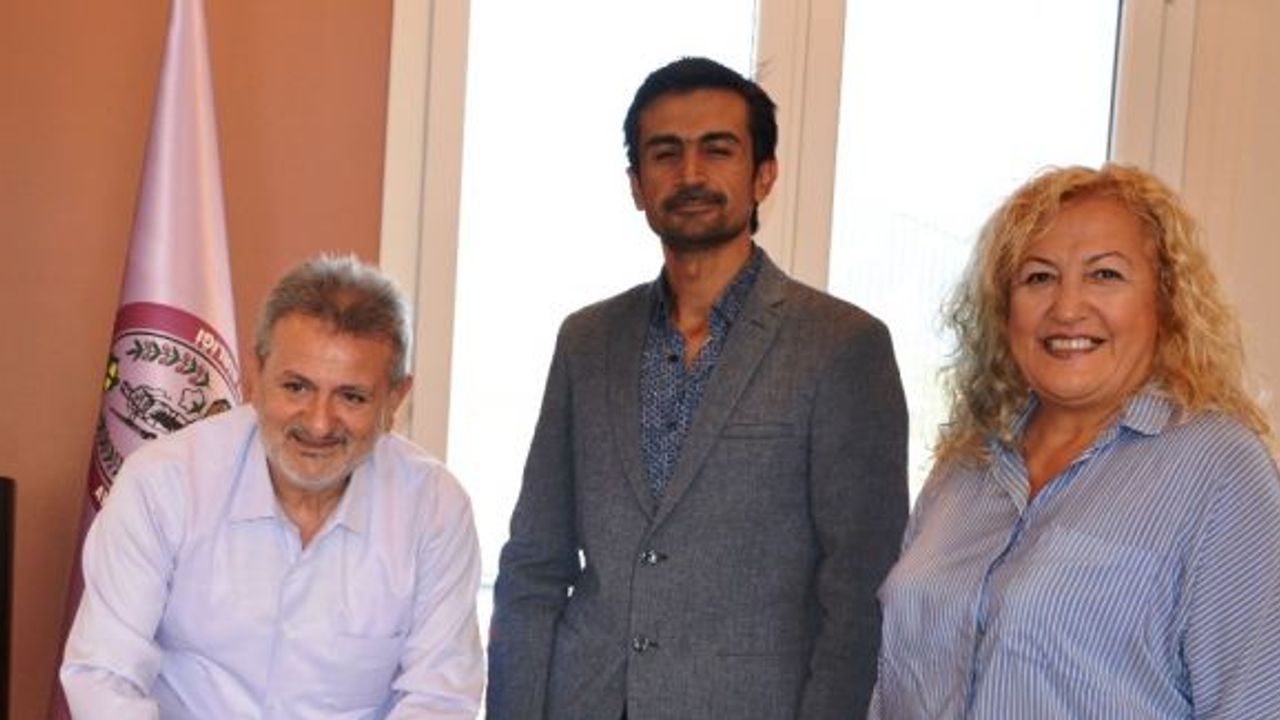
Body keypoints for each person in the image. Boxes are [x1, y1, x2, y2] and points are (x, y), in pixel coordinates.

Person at [487, 57, 909, 719]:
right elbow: (534, 565)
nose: (690, 174)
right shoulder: (586, 341)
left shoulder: (842, 346)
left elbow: (858, 592)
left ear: (763, 174)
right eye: (665, 153)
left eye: (717, 149)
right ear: (636, 185)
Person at [871, 164, 1280, 718]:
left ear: (1165, 301)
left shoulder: (1220, 468)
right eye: (1039, 278)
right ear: (1004, 309)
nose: (1066, 308)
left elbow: (1256, 702)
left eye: (1105, 275)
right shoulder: (965, 466)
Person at [60, 255, 484, 718]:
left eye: (352, 396)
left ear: (395, 399)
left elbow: (439, 699)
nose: (319, 423)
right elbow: (105, 675)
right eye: (297, 387)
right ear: (256, 377)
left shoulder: (435, 509)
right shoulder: (163, 483)